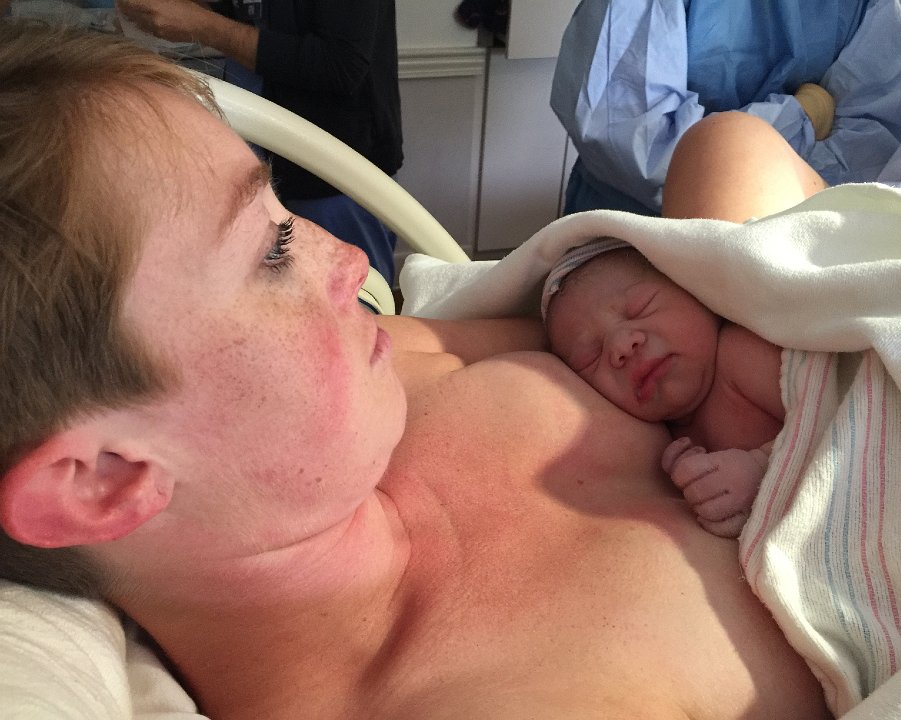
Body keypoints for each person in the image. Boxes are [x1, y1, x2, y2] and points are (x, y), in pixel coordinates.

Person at [0, 21, 834, 719]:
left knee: (729, 145)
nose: (353, 264)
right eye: (272, 251)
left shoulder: (378, 373)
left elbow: (588, 322)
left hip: (816, 393)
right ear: (104, 479)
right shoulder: (511, 700)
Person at [116, 0, 404, 285]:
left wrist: (202, 25)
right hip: (264, 156)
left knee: (354, 297)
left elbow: (340, 65)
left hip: (335, 167)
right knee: (274, 296)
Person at [552, 0, 901, 216]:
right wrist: (805, 117)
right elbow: (634, 143)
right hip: (635, 231)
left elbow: (870, 137)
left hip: (794, 231)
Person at [541, 241, 790, 538]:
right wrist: (702, 485)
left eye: (641, 308)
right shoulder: (667, 445)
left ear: (695, 291)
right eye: (591, 357)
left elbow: (828, 419)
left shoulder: (741, 354)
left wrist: (761, 466)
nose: (622, 346)